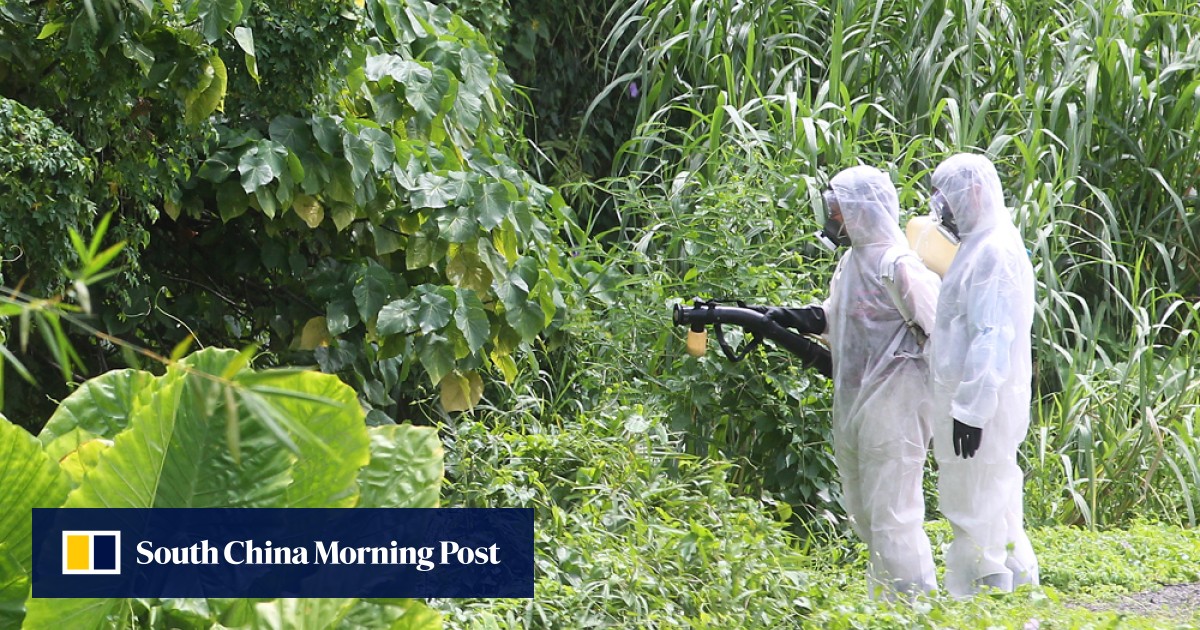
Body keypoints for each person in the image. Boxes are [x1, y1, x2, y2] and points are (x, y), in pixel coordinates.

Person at [766, 166, 941, 599]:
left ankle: (915, 607)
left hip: (897, 402)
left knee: (893, 513)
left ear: (863, 209)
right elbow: (841, 316)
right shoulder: (851, 263)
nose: (835, 220)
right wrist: (800, 318)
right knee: (865, 511)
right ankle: (886, 603)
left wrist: (954, 404)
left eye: (839, 210)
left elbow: (941, 332)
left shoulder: (898, 265)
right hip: (858, 400)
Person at [926, 153, 1039, 598]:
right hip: (975, 399)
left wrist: (971, 409)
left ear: (973, 193)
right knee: (994, 503)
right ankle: (1017, 592)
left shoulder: (993, 250)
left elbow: (992, 334)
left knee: (974, 507)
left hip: (981, 404)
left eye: (948, 200)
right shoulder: (981, 245)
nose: (944, 213)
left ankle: (982, 600)